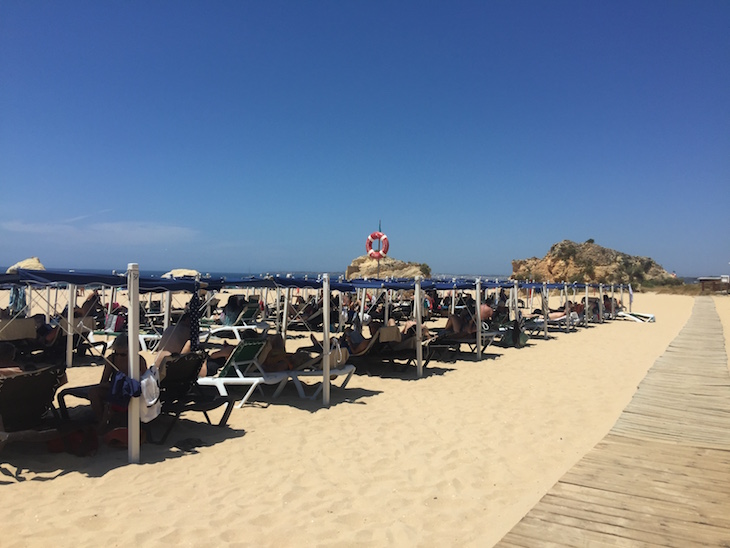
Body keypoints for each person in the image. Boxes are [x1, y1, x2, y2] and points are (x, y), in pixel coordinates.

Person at [88, 334, 147, 427]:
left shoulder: (139, 360)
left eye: (123, 354)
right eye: (116, 353)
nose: (119, 356)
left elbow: (145, 380)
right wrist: (112, 386)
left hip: (133, 389)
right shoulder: (111, 359)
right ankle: (101, 421)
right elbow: (104, 380)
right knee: (94, 392)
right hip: (115, 388)